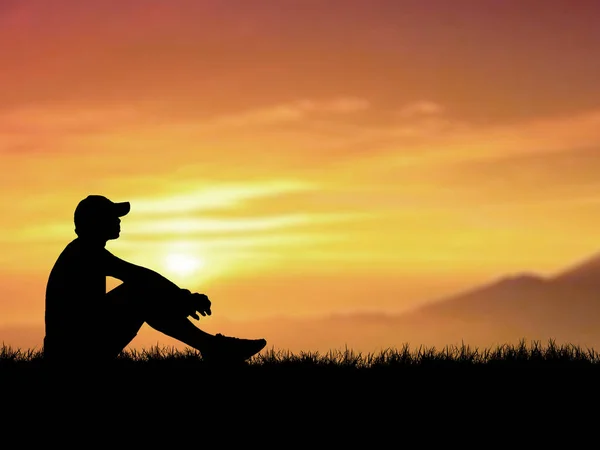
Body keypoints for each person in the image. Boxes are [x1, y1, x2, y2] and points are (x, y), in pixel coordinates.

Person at [44, 194, 267, 364]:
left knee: (142, 294)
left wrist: (180, 298)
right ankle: (214, 347)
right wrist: (182, 298)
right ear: (97, 222)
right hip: (73, 354)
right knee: (138, 293)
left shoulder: (83, 250)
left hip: (75, 347)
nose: (119, 221)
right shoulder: (85, 252)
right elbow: (139, 276)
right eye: (113, 217)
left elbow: (141, 278)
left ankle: (213, 347)